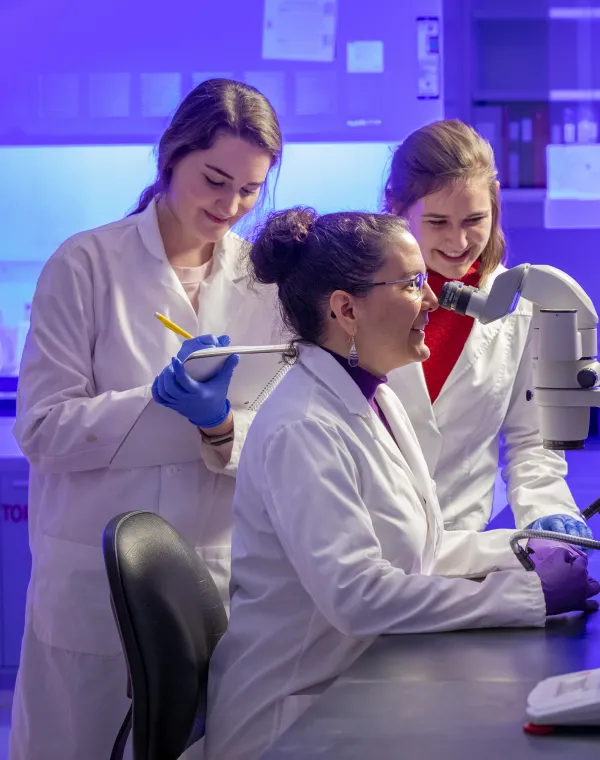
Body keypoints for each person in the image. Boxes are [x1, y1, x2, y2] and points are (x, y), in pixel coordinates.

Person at [204, 208, 599, 760]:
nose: (434, 299)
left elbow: (417, 551)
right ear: (346, 309)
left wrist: (519, 549)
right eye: (412, 284)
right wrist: (524, 594)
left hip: (357, 687)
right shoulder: (303, 426)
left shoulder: (374, 396)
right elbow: (359, 596)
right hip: (292, 718)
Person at [11, 78, 285, 760]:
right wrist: (159, 404)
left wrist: (221, 427)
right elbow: (42, 431)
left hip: (214, 577)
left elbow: (281, 437)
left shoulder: (262, 282)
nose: (230, 206)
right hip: (92, 586)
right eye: (215, 180)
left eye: (250, 190)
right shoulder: (86, 264)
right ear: (170, 158)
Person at [384, 119, 591, 539]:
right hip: (365, 538)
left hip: (463, 540)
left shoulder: (522, 306)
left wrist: (546, 511)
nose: (458, 242)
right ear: (397, 207)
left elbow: (532, 438)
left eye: (474, 219)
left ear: (495, 202)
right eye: (438, 222)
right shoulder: (358, 300)